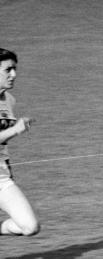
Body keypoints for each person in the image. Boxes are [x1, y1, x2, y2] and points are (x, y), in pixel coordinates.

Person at [0, 48, 40, 236]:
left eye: (14, 69)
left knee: (29, 227)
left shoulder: (9, 100)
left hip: (1, 177)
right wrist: (15, 130)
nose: (14, 74)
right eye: (8, 70)